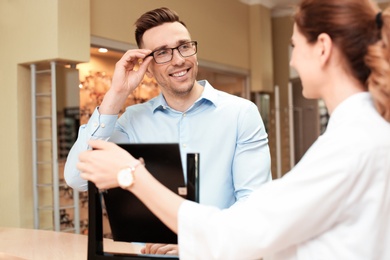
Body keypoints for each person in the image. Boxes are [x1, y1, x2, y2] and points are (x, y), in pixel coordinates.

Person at [77, 0, 390, 258]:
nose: (292, 61)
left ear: (322, 47)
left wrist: (130, 174)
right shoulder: (360, 135)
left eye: (294, 46)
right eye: (162, 53)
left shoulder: (352, 144)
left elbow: (245, 233)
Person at [65, 7, 271, 255]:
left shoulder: (241, 114)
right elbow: (77, 178)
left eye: (184, 46)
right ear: (148, 68)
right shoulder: (132, 121)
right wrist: (116, 94)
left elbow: (254, 205)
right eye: (162, 53)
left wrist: (197, 240)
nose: (178, 59)